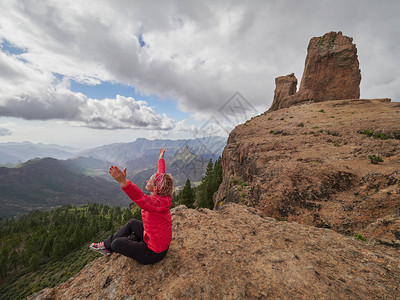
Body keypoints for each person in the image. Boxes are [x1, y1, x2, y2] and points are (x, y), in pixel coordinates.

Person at [90, 148, 173, 265]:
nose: (147, 180)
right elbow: (160, 174)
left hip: (152, 252)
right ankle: (105, 245)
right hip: (155, 240)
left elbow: (140, 198)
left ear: (155, 189)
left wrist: (124, 182)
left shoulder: (155, 203)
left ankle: (123, 243)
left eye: (150, 180)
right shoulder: (162, 196)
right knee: (132, 223)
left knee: (116, 244)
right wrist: (161, 158)